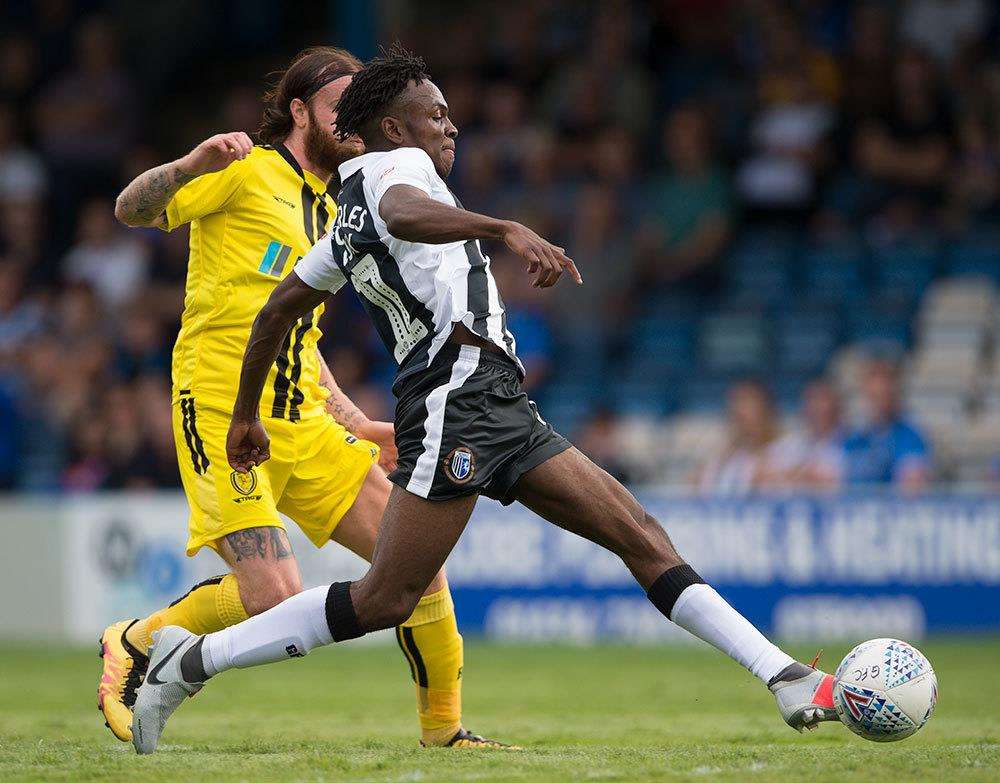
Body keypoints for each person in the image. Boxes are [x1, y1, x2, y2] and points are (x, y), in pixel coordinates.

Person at [130, 46, 840, 754]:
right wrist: (501, 227)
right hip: (456, 397)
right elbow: (402, 213)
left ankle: (780, 675)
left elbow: (279, 309)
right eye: (434, 114)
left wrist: (251, 409)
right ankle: (186, 661)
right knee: (386, 598)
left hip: (499, 401)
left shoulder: (343, 211)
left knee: (640, 534)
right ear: (394, 129)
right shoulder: (394, 173)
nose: (452, 127)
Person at [100, 47, 506, 751]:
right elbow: (131, 209)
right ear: (298, 112)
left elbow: (299, 330)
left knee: (416, 560)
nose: (349, 121)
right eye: (335, 107)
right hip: (226, 409)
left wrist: (354, 417)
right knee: (273, 597)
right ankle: (137, 640)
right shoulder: (244, 170)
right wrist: (189, 165)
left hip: (305, 421)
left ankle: (445, 732)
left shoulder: (338, 202)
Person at [843, 357, 931, 491]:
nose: (877, 404)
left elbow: (912, 485)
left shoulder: (910, 437)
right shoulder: (854, 437)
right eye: (873, 396)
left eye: (884, 396)